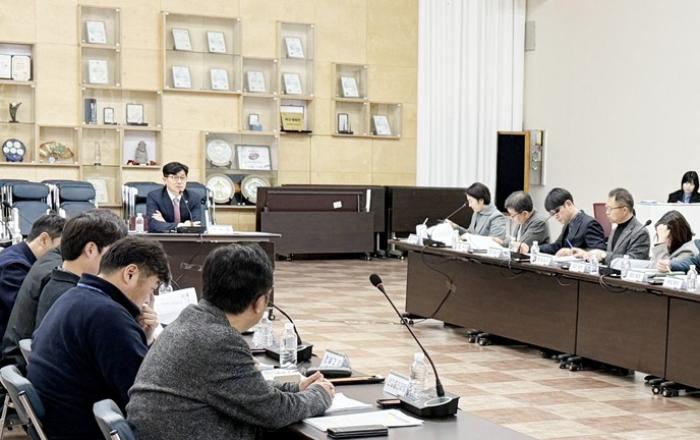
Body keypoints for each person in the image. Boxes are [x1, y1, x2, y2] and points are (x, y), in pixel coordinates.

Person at [127, 244, 334, 440]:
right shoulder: (219, 340)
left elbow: (242, 391)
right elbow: (273, 412)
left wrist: (294, 388)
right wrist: (320, 394)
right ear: (260, 302)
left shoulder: (190, 320)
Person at [27, 237, 170, 440]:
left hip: (57, 423)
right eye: (153, 286)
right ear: (130, 273)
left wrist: (142, 337)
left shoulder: (73, 296)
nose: (150, 297)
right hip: (82, 429)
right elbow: (144, 396)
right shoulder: (109, 316)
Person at [35, 211, 128, 328]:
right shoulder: (80, 299)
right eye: (113, 252)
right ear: (91, 249)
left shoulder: (56, 282)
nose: (117, 261)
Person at [0, 214, 65, 340]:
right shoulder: (13, 267)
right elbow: (26, 314)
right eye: (59, 248)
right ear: (44, 239)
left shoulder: (17, 255)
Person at [2, 246, 61, 368]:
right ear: (44, 239)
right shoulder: (15, 267)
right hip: (14, 355)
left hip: (16, 350)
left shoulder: (42, 262)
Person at [573, 188, 650, 264]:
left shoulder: (640, 232)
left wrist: (604, 255)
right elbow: (610, 255)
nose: (607, 212)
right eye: (606, 208)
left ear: (624, 210)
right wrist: (587, 254)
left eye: (610, 209)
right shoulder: (615, 228)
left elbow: (634, 261)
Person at [534, 188, 605, 256]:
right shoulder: (567, 224)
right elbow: (557, 247)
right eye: (552, 214)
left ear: (568, 204)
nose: (555, 216)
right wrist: (535, 248)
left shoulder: (590, 224)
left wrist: (572, 253)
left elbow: (599, 252)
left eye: (557, 211)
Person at [146, 161, 202, 232]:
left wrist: (165, 224)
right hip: (162, 237)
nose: (179, 181)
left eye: (182, 178)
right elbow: (154, 224)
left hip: (187, 238)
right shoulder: (155, 196)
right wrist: (180, 226)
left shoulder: (194, 197)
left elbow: (196, 224)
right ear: (165, 180)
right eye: (174, 177)